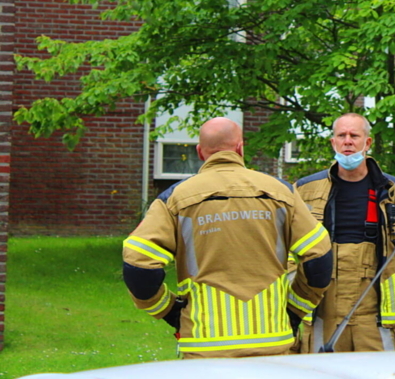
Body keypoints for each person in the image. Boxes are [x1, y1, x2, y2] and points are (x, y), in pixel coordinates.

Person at [122, 117, 332, 358]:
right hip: (272, 343)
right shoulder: (281, 192)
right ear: (240, 148)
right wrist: (295, 310)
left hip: (204, 346)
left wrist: (169, 312)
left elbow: (138, 266)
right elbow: (319, 259)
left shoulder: (175, 198)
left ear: (200, 152)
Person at [292, 112, 395, 352]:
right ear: (333, 142)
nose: (347, 141)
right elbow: (284, 238)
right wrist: (296, 273)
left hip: (375, 313)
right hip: (322, 308)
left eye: (354, 135)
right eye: (341, 135)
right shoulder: (304, 190)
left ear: (368, 142)